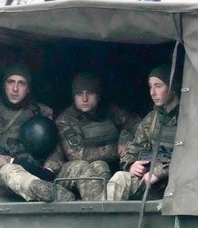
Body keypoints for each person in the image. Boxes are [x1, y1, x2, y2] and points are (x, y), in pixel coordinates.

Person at [0, 64, 75, 202]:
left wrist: (48, 170)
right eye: (11, 82)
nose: (15, 89)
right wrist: (13, 161)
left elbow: (58, 147)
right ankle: (43, 190)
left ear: (28, 88)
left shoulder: (42, 112)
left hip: (44, 173)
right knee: (10, 171)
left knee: (80, 167)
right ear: (4, 86)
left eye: (21, 83)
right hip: (7, 181)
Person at [54, 72, 141, 200]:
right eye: (79, 94)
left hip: (111, 170)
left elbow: (139, 125)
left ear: (98, 95)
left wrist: (125, 137)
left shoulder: (111, 112)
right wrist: (116, 149)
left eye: (89, 93)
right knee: (98, 165)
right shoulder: (66, 120)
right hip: (77, 175)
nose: (84, 99)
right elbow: (78, 155)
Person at [106, 64, 181, 201]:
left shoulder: (190, 119)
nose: (153, 92)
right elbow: (132, 151)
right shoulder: (152, 119)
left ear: (173, 88)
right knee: (120, 179)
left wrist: (159, 172)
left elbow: (194, 156)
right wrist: (132, 165)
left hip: (182, 188)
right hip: (154, 187)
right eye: (150, 86)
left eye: (158, 86)